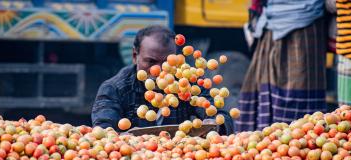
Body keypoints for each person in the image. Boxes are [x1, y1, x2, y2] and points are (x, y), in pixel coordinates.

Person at [91, 25, 234, 134]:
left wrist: (215, 124)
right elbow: (103, 130)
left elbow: (220, 116)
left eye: (168, 62)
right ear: (135, 56)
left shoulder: (188, 83)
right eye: (151, 61)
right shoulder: (115, 88)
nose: (159, 70)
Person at [236, 0, 327, 132]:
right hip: (277, 25)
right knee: (281, 99)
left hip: (300, 25)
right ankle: (268, 145)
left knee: (297, 107)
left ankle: (282, 145)